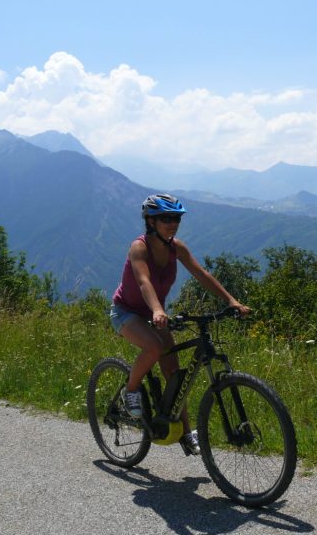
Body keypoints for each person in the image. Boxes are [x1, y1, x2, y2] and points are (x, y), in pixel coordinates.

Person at [110, 193, 250, 455]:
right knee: (153, 347)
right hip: (126, 312)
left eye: (176, 218)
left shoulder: (178, 248)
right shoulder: (139, 248)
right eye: (166, 218)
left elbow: (201, 274)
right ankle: (130, 392)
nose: (173, 223)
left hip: (156, 314)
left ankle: (186, 434)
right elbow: (144, 282)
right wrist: (157, 309)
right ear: (150, 221)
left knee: (175, 378)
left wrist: (231, 300)